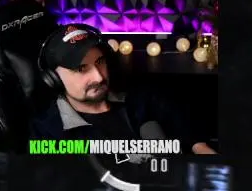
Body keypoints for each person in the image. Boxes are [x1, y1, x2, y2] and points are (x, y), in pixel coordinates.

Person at [28, 24, 216, 153]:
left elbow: (189, 133)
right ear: (53, 78)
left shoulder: (140, 100)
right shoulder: (46, 132)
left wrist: (199, 147)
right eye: (81, 69)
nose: (99, 77)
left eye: (100, 62)